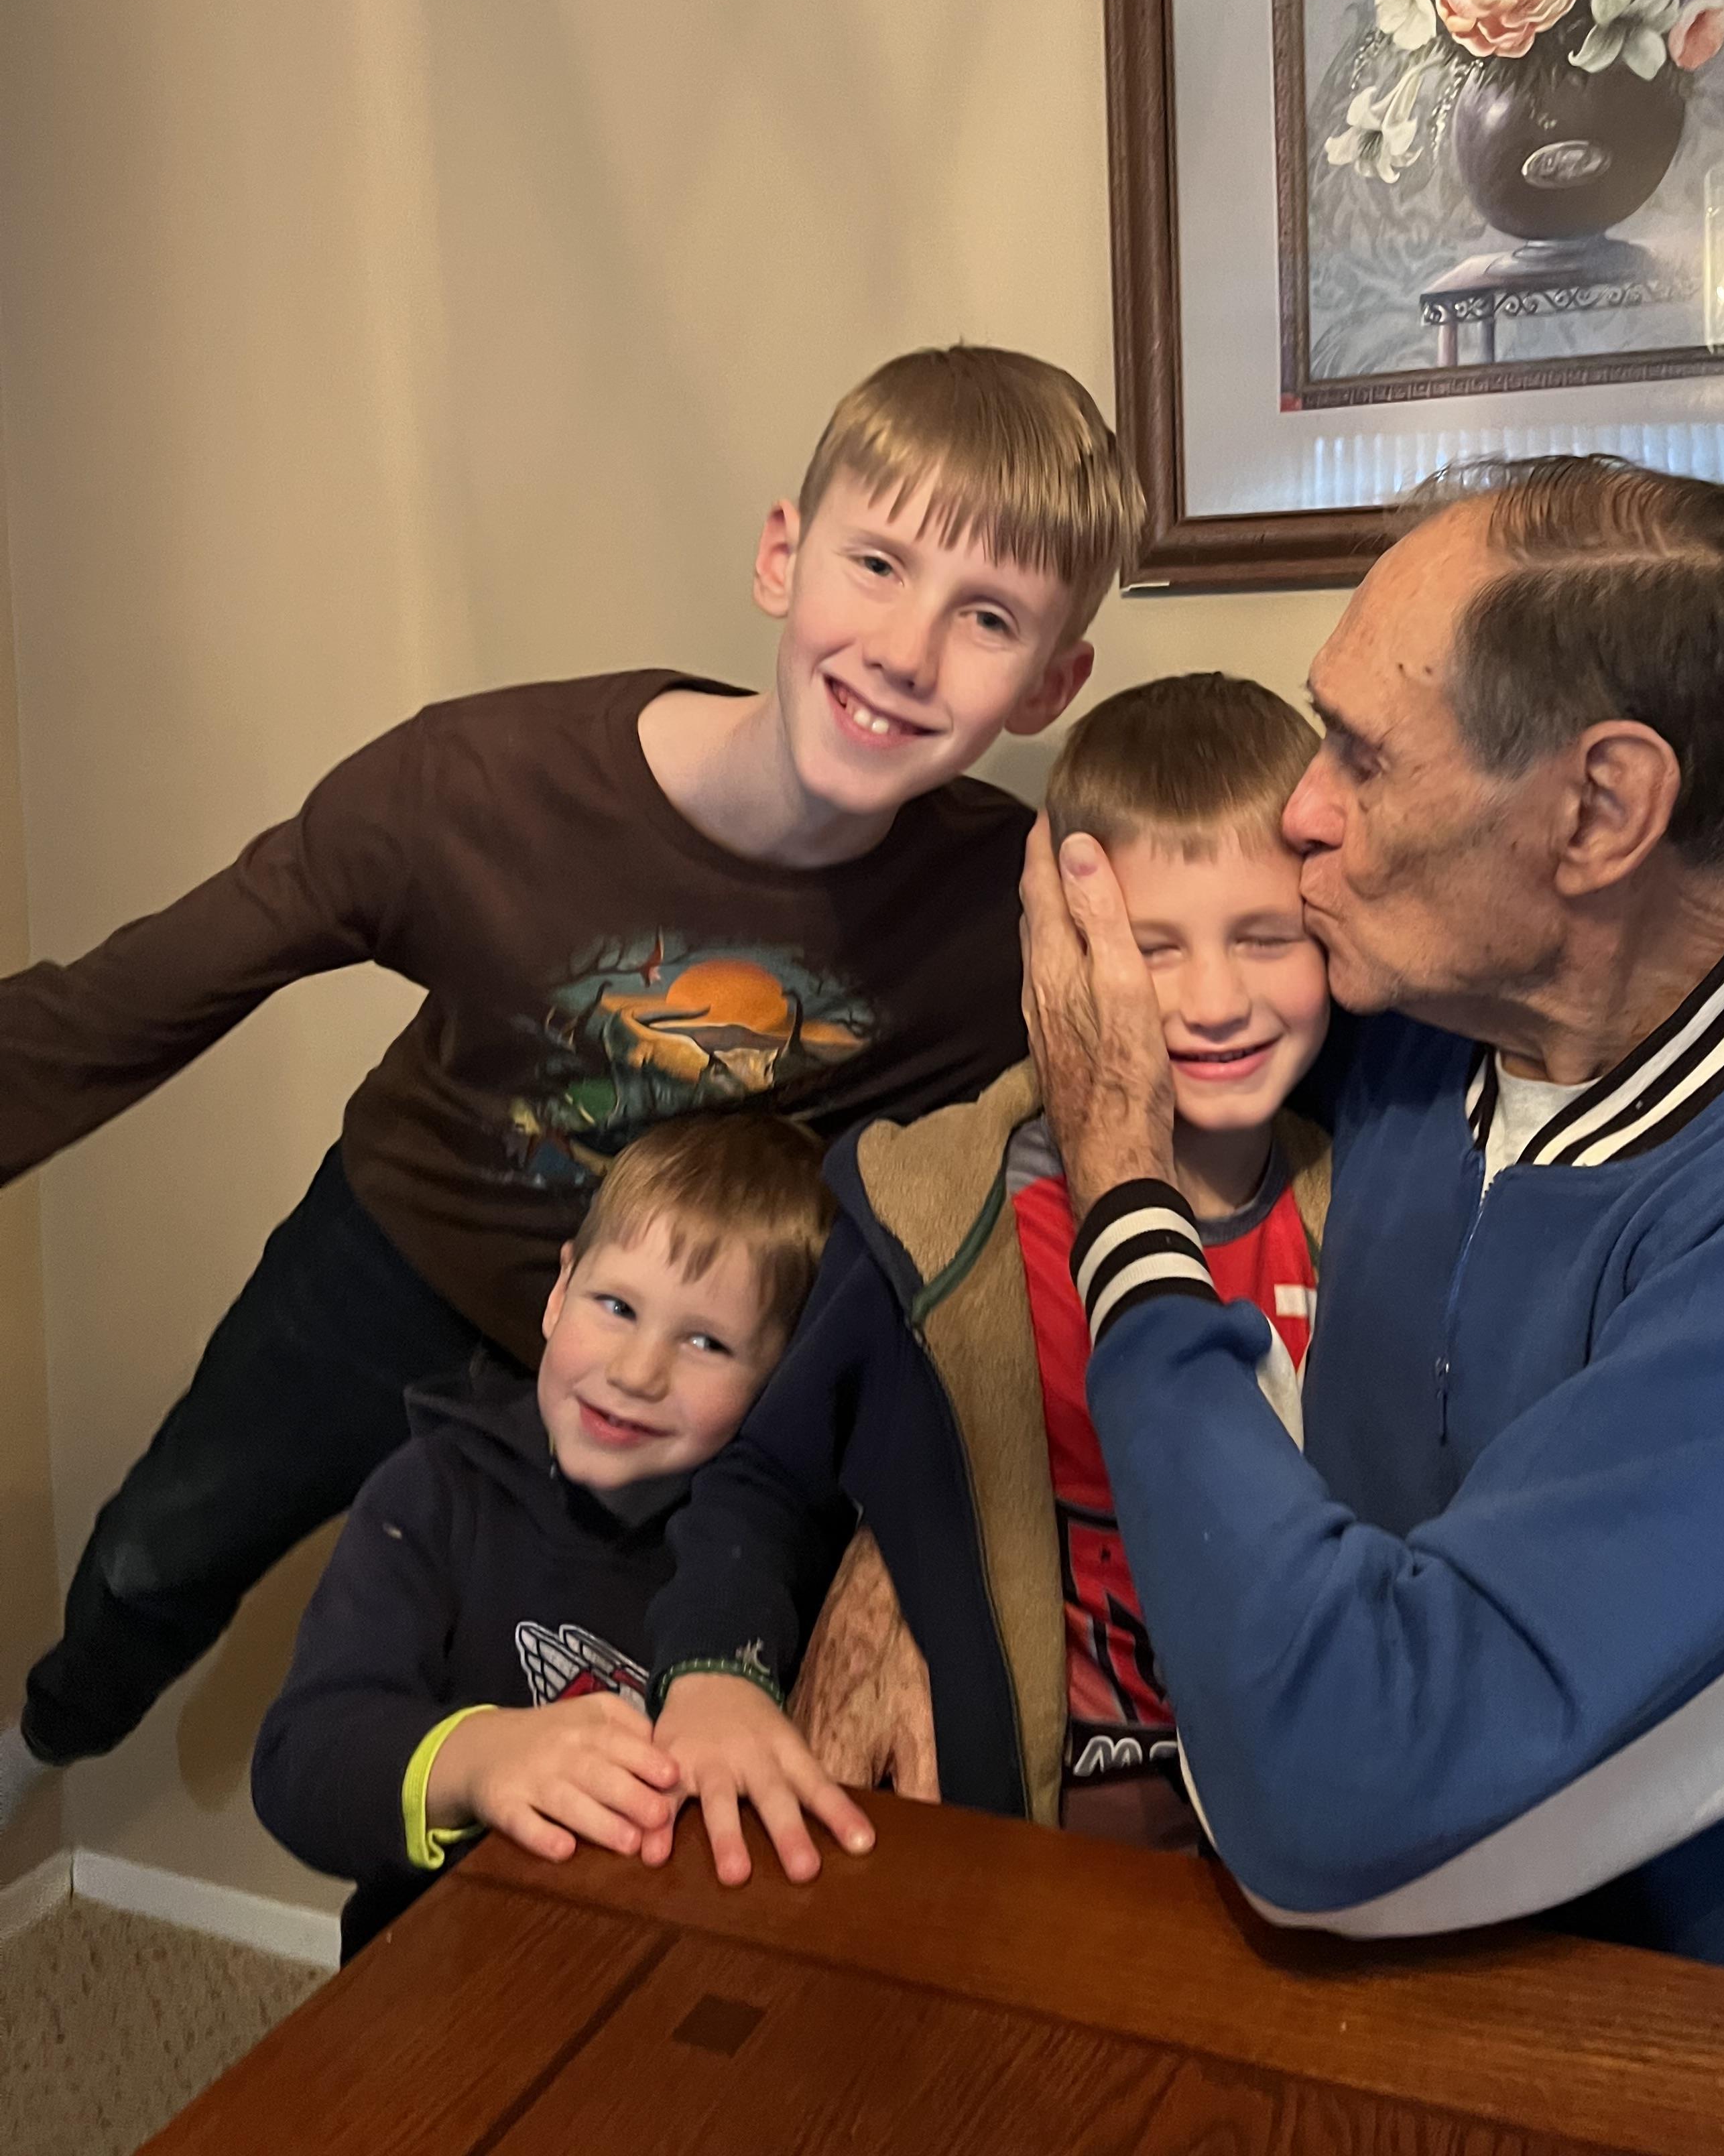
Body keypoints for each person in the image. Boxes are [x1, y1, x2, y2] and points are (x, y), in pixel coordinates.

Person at [0, 343, 1142, 1838]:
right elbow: (117, 1005)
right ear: (782, 557)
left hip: (705, 1341)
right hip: (398, 1259)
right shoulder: (472, 793)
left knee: (658, 1708)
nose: (910, 652)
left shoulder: (1007, 913)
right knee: (160, 1552)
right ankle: (39, 1742)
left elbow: (1159, 1061)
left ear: (1053, 681)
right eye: (878, 565)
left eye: (986, 617)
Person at [1013, 456, 1724, 2013]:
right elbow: (1025, 1100)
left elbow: (1339, 1793)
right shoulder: (1433, 1008)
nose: (1302, 812)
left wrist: (1122, 1199)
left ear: (1601, 809)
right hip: (1365, 1989)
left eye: (1360, 757)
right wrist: (938, 1488)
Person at [636, 674, 1335, 1878]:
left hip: (1298, 1826)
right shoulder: (942, 1211)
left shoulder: (1377, 1201)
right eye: (1146, 951)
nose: (1215, 1002)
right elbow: (767, 1477)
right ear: (1063, 954)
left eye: (1266, 938)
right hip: (1006, 1827)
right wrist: (713, 1669)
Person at [251, 1113, 833, 1956]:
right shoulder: (433, 1495)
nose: (637, 1372)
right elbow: (298, 1765)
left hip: (678, 1976)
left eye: (707, 1341)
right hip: (438, 1979)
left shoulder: (781, 1553)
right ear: (560, 1293)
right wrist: (481, 1759)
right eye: (616, 1306)